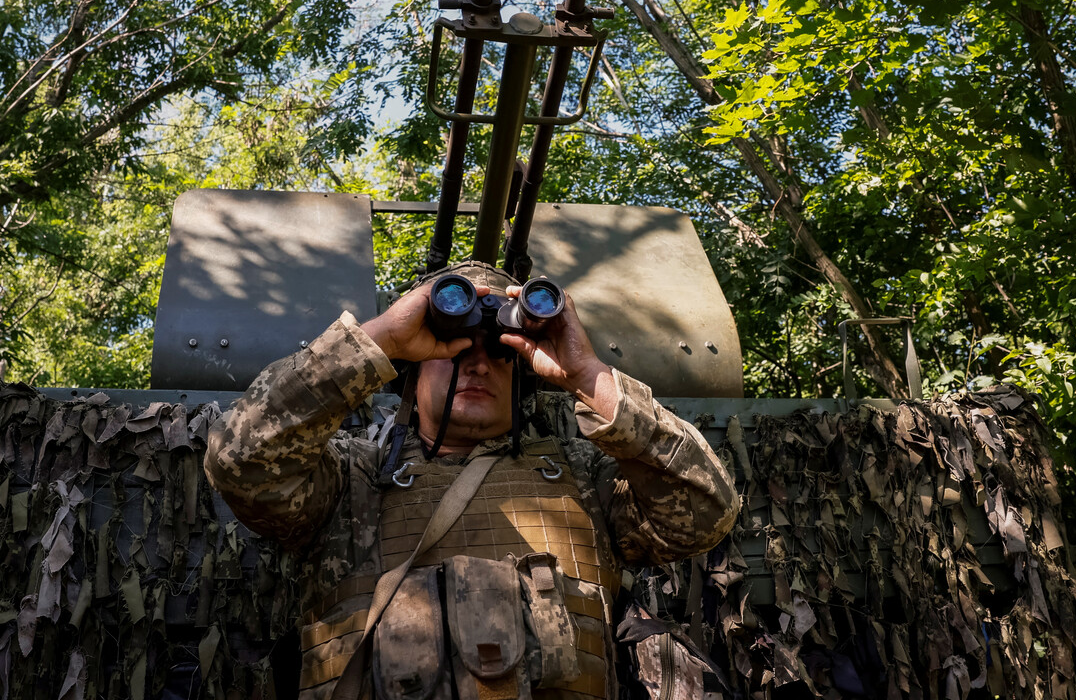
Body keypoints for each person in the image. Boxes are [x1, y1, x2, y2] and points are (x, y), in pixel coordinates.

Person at [205, 261, 740, 700]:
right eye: (456, 349)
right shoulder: (351, 478)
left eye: (501, 354)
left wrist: (586, 375)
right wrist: (383, 338)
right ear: (411, 376)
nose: (479, 365)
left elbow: (705, 513)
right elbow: (239, 458)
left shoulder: (582, 475)